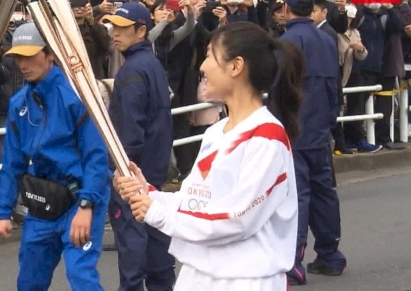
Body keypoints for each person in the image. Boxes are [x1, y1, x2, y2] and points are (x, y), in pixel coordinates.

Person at [114, 22, 303, 290]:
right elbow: (196, 201)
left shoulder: (266, 138)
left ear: (236, 66)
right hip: (200, 274)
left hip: (245, 280)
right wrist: (148, 194)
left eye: (210, 56)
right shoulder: (216, 132)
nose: (202, 67)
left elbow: (237, 219)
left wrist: (157, 213)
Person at [0, 23, 111, 290]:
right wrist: (2, 210)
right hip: (43, 198)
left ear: (50, 54)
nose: (23, 63)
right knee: (30, 279)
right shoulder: (19, 103)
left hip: (79, 197)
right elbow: (12, 162)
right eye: (18, 56)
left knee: (81, 276)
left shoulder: (76, 97)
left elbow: (96, 157)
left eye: (31, 55)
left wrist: (86, 205)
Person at [102, 1, 176, 290]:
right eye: (113, 27)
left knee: (132, 241)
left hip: (133, 172)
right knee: (157, 236)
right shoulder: (151, 63)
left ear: (141, 30)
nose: (114, 34)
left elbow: (131, 130)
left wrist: (121, 172)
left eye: (122, 28)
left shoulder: (132, 71)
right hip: (154, 168)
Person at [278, 0, 347, 285]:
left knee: (297, 195)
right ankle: (331, 254)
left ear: (286, 7)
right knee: (323, 191)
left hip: (294, 128)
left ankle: (294, 260)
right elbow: (334, 85)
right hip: (321, 125)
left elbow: (280, 90)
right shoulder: (326, 39)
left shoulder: (287, 42)